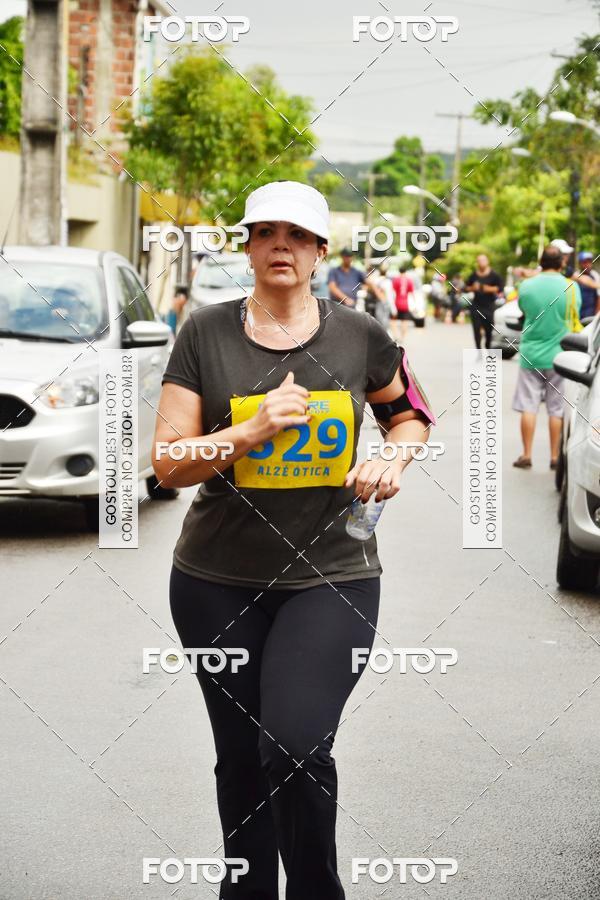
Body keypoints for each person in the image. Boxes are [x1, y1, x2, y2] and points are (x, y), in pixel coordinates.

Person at [154, 180, 436, 899]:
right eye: (265, 232)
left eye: (297, 235)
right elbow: (167, 462)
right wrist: (247, 431)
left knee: (295, 743)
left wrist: (391, 457)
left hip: (333, 573)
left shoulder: (360, 333)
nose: (280, 245)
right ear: (247, 247)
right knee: (242, 760)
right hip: (216, 580)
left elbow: (409, 415)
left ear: (318, 251)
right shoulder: (204, 332)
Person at [512, 244, 581, 470]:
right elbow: (575, 314)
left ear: (541, 262)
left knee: (528, 406)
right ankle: (553, 457)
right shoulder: (571, 287)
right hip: (561, 356)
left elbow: (524, 310)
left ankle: (526, 454)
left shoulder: (527, 286)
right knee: (557, 409)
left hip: (531, 354)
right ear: (562, 262)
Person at [464, 254, 504, 349]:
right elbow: (466, 288)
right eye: (479, 261)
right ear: (477, 263)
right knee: (476, 329)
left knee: (489, 330)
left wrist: (485, 288)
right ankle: (478, 351)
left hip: (489, 306)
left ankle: (488, 347)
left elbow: (500, 289)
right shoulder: (474, 275)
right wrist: (473, 288)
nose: (481, 263)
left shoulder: (494, 275)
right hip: (476, 305)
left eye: (483, 260)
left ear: (487, 261)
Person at [572, 251, 600, 320]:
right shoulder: (575, 276)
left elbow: (599, 296)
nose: (587, 264)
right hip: (577, 314)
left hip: (591, 314)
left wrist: (597, 315)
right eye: (584, 262)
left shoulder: (595, 276)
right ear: (580, 263)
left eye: (589, 262)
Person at [391, 265, 415, 342]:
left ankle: (395, 335)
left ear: (399, 271)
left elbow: (392, 292)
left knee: (393, 320)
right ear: (405, 271)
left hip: (396, 303)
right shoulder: (409, 280)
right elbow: (412, 293)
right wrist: (414, 303)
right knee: (404, 321)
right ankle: (402, 338)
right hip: (405, 304)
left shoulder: (396, 280)